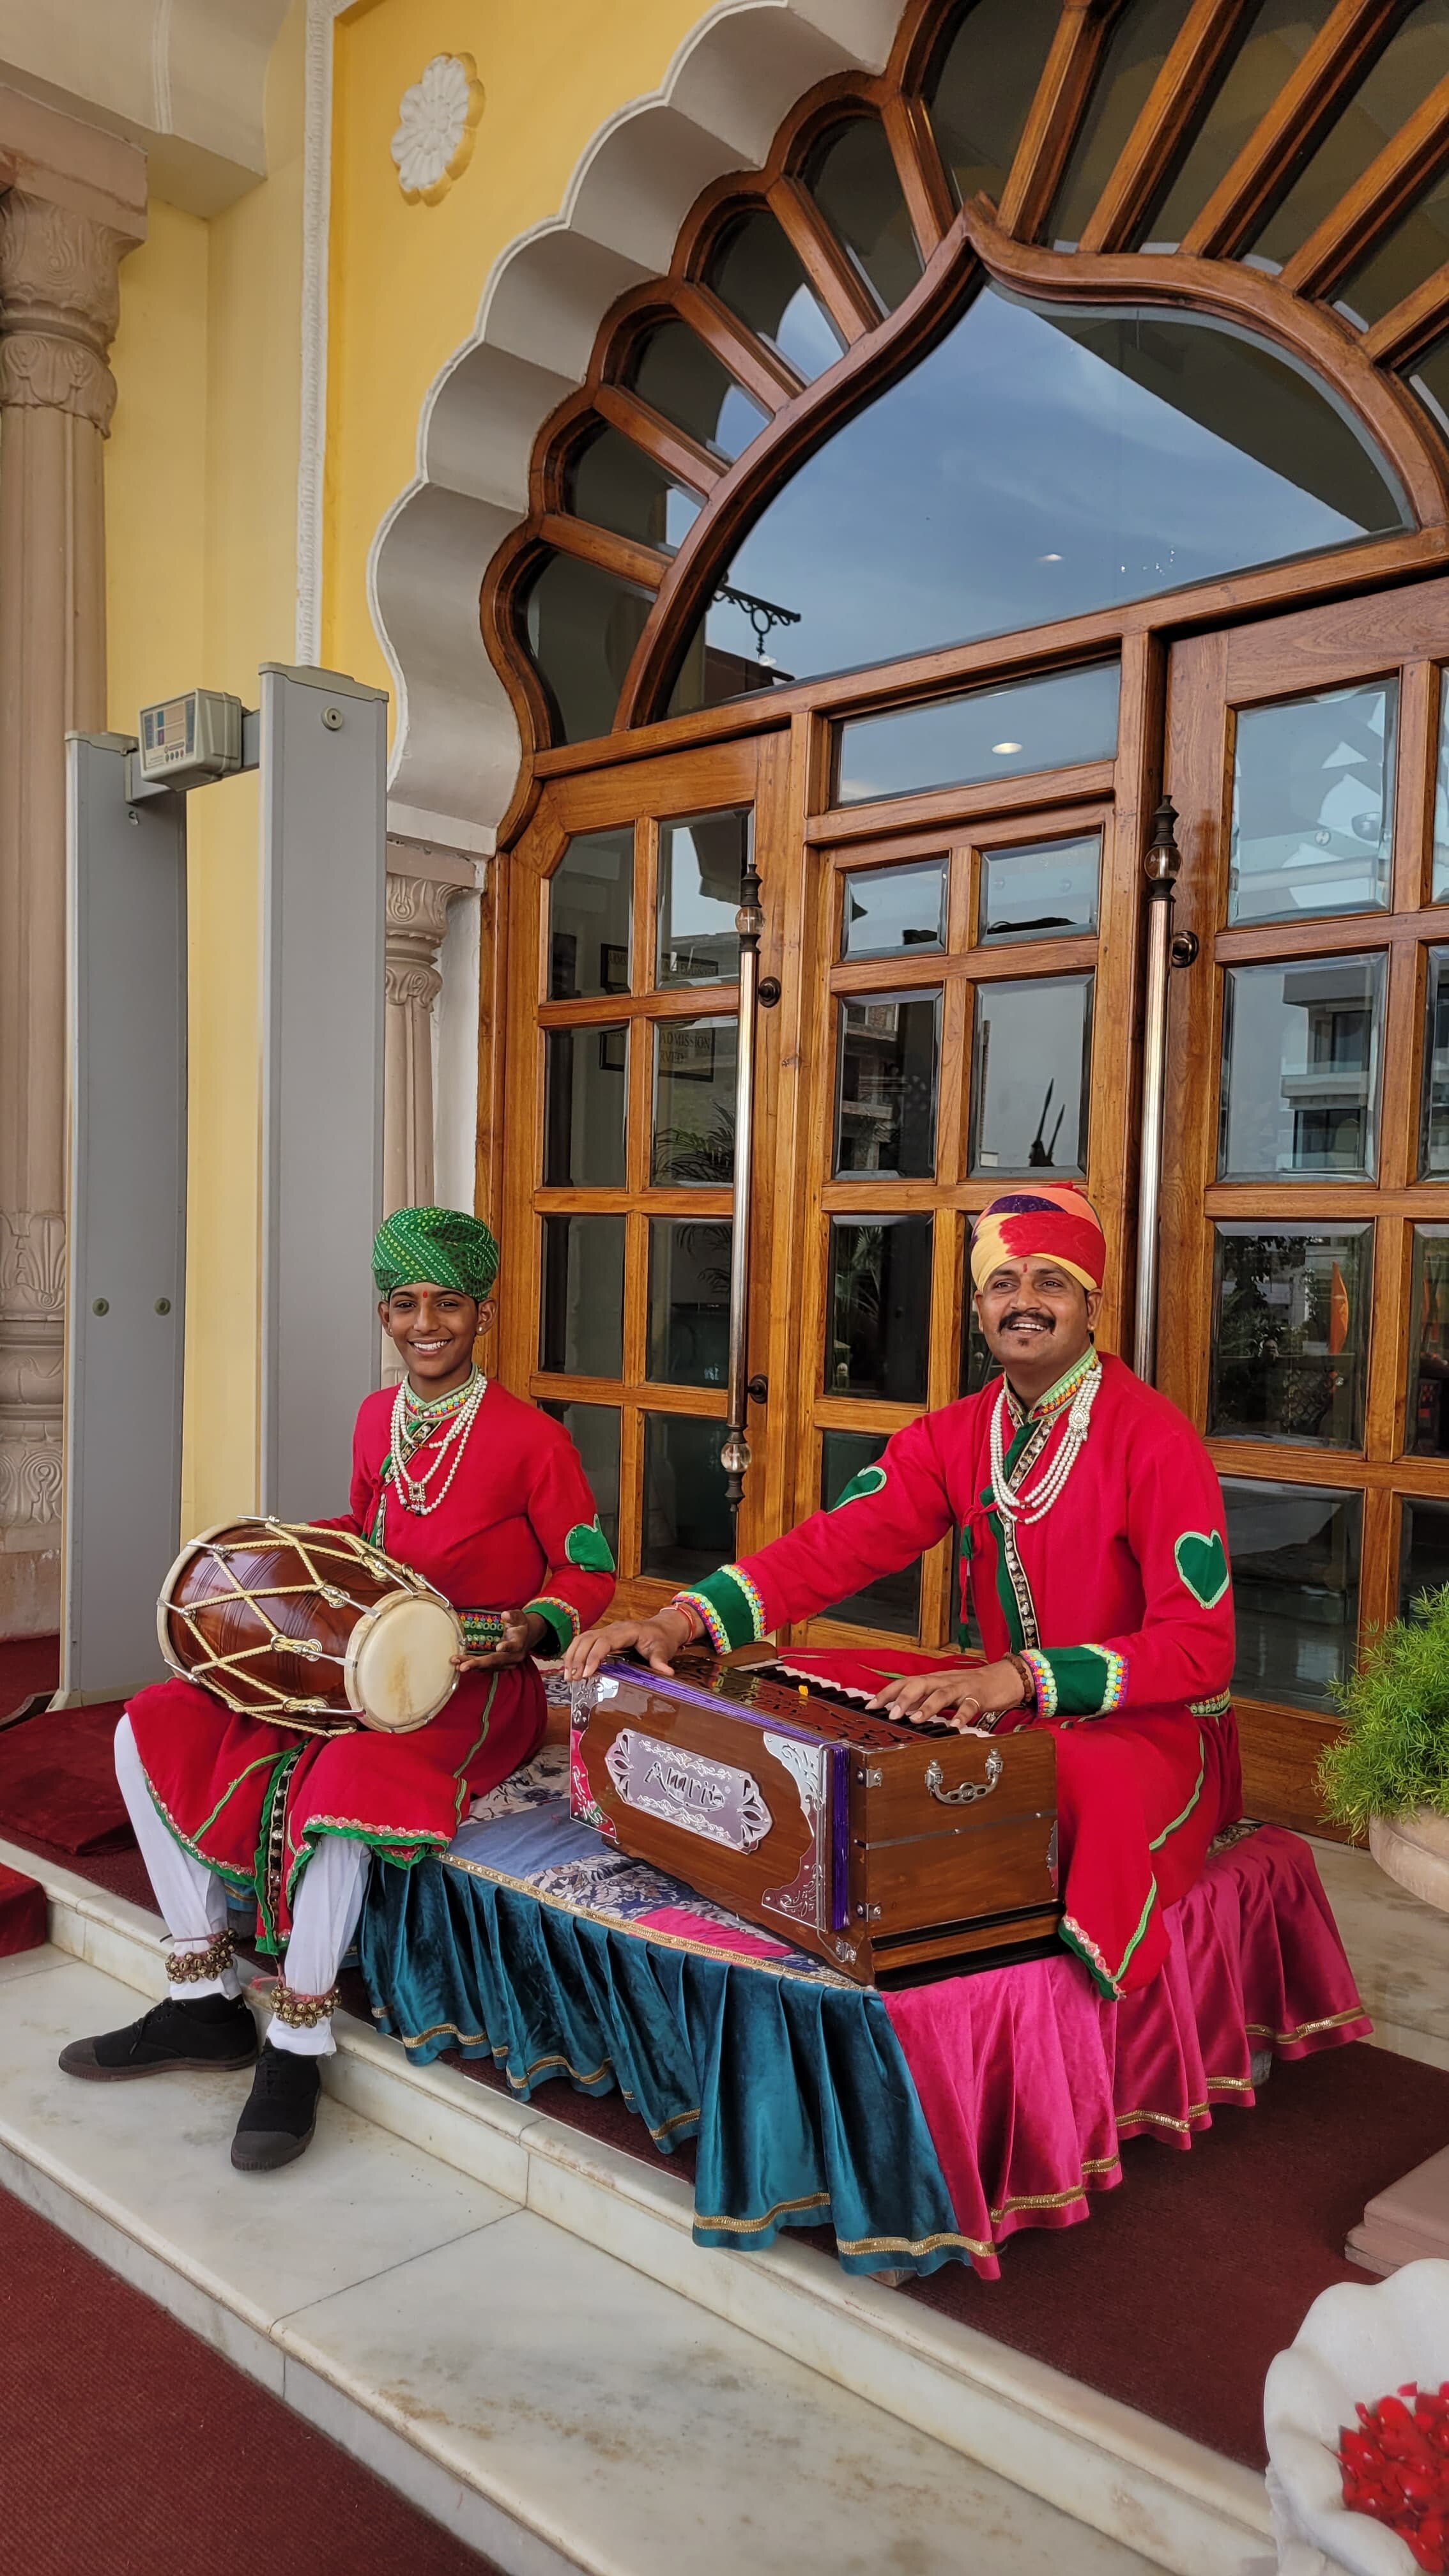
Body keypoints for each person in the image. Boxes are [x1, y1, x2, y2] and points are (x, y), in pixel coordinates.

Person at [565, 1183, 1241, 2001]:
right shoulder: (959, 1434)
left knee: (1070, 1779)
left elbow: (1201, 1650)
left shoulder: (1155, 1440)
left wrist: (1019, 1676)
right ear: (980, 1307)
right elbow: (829, 1548)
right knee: (805, 1682)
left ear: (1091, 1305)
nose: (1024, 1303)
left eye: (1050, 1282)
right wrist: (679, 1619)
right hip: (1011, 1704)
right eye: (1003, 1284)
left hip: (1147, 1731)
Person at [61, 1206, 616, 2167]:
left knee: (350, 1780)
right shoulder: (375, 1418)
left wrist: (529, 1628)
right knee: (152, 1721)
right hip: (361, 1663)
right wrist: (277, 1575)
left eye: (449, 1302)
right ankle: (202, 1998)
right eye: (405, 1304)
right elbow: (364, 1538)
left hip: (477, 1685)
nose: (426, 1322)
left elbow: (590, 1571)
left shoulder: (534, 1439)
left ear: (484, 1311)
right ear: (383, 1315)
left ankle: (298, 2038)